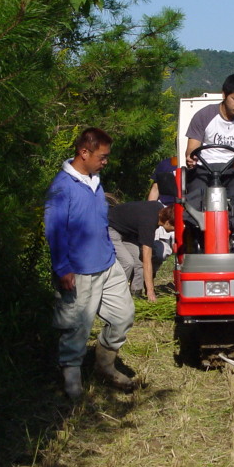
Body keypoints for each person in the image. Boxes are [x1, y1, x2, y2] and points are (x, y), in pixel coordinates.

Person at [44, 127, 136, 400]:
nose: (105, 161)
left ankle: (104, 366)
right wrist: (63, 268)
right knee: (76, 326)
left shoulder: (95, 180)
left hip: (107, 265)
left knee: (123, 316)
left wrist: (113, 256)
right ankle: (71, 380)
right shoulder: (62, 188)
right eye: (102, 156)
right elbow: (54, 230)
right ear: (84, 153)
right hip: (79, 271)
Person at [184, 73, 234, 239]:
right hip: (205, 166)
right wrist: (191, 157)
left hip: (233, 169)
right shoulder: (204, 116)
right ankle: (194, 230)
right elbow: (192, 147)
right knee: (195, 193)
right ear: (224, 95)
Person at [108, 202, 175, 302]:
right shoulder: (148, 223)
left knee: (139, 262)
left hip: (127, 234)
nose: (174, 230)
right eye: (174, 227)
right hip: (110, 228)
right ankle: (115, 296)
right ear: (167, 222)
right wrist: (150, 291)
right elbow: (147, 259)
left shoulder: (159, 210)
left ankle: (136, 295)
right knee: (128, 262)